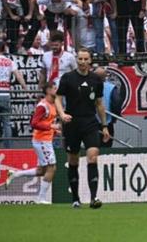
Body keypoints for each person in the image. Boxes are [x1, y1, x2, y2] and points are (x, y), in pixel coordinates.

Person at [55, 49, 110, 208]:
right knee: (73, 160)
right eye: (80, 59)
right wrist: (62, 114)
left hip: (90, 122)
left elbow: (99, 104)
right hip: (72, 123)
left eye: (86, 59)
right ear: (76, 60)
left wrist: (104, 125)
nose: (83, 62)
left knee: (93, 155)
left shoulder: (96, 80)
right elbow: (58, 99)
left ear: (90, 60)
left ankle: (94, 198)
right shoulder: (68, 78)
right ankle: (75, 198)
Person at [6, 83, 60, 203]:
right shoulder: (42, 105)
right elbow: (34, 123)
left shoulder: (53, 104)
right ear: (48, 90)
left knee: (41, 171)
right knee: (52, 168)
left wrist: (54, 130)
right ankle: (41, 198)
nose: (56, 89)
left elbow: (47, 122)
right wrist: (51, 126)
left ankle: (15, 174)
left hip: (45, 140)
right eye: (54, 87)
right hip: (42, 141)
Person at [0, 41, 29, 148]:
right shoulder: (9, 61)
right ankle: (8, 148)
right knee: (6, 122)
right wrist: (26, 88)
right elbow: (19, 75)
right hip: (6, 93)